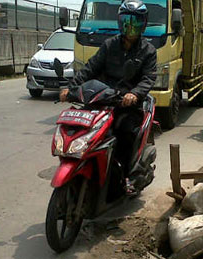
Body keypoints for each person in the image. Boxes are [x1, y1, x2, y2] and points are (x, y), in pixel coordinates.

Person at [59, 0, 157, 194]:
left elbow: (148, 78)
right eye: (127, 21)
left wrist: (134, 94)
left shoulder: (148, 51)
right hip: (102, 98)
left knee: (125, 133)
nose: (130, 27)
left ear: (143, 24)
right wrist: (70, 88)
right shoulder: (109, 45)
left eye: (135, 22)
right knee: (81, 129)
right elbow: (90, 68)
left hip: (127, 104)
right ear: (120, 22)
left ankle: (127, 176)